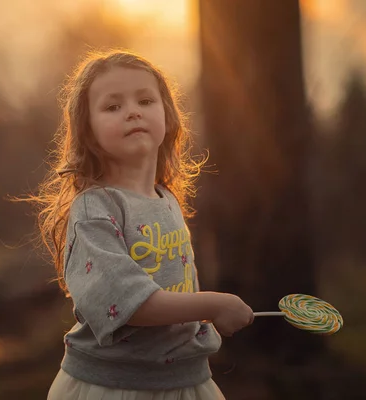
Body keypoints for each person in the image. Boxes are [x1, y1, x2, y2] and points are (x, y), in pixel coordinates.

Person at [28, 49, 254, 399]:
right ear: (88, 132)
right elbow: (131, 304)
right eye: (113, 107)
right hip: (114, 386)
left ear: (168, 117)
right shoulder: (94, 209)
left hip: (186, 381)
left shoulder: (166, 199)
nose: (132, 111)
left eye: (145, 100)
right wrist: (214, 305)